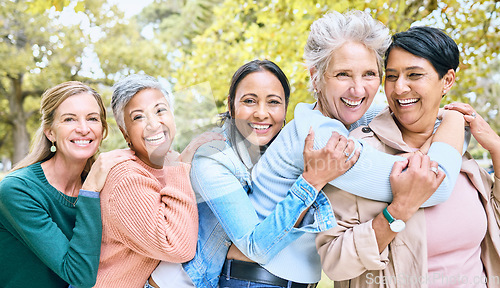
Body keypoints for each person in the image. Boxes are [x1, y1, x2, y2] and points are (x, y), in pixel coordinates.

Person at [244, 11, 468, 286]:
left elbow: (419, 120)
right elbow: (433, 183)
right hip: (256, 278)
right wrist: (456, 119)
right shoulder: (323, 138)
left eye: (370, 74)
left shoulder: (349, 114)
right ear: (316, 77)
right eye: (342, 74)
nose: (358, 89)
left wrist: (448, 118)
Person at [148, 59, 360, 288]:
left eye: (273, 102)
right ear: (231, 105)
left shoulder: (277, 151)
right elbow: (255, 246)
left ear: (286, 107)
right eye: (249, 101)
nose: (261, 113)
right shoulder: (213, 157)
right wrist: (311, 182)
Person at [316, 26, 500, 288]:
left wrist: (496, 147)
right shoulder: (356, 154)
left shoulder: (459, 148)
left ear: (447, 80)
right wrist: (398, 211)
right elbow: (334, 261)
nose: (400, 88)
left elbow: (495, 222)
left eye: (414, 75)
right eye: (391, 76)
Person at [0, 81, 136, 288]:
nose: (83, 129)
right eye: (69, 119)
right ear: (50, 132)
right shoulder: (18, 190)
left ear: (102, 129)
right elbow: (79, 275)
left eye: (92, 119)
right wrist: (89, 191)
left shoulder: (103, 185)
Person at [93, 74, 222, 287]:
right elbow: (179, 248)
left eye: (160, 110)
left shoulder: (168, 164)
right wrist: (178, 168)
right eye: (138, 117)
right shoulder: (126, 177)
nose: (154, 124)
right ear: (125, 134)